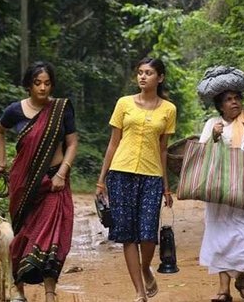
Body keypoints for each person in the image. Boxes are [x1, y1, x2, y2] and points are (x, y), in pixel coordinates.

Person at [0, 61, 78, 302]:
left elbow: (72, 144)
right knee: (23, 237)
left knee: (51, 236)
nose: (43, 88)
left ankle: (50, 293)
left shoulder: (61, 109)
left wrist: (62, 172)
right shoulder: (14, 111)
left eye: (47, 83)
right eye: (37, 83)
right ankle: (18, 291)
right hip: (24, 184)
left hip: (54, 181)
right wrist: (2, 162)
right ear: (28, 86)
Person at [95, 57, 176, 302]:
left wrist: (166, 185)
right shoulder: (123, 104)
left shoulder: (168, 109)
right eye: (140, 72)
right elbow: (113, 142)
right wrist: (101, 180)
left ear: (159, 78)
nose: (142, 76)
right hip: (120, 173)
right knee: (127, 233)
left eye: (149, 73)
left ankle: (144, 267)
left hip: (151, 175)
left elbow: (163, 149)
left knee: (148, 233)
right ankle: (140, 292)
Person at [198, 71, 244, 302]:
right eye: (228, 99)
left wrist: (237, 74)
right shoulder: (212, 124)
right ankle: (223, 290)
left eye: (236, 97)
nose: (235, 102)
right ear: (220, 105)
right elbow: (202, 157)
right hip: (220, 191)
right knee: (220, 237)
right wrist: (215, 137)